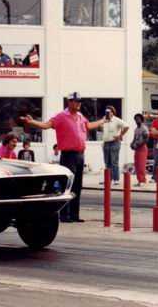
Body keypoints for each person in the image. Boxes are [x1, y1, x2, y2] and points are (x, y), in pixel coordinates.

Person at [21, 92, 105, 223]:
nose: (78, 104)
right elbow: (47, 125)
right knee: (68, 185)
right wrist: (32, 122)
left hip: (80, 154)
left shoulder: (80, 116)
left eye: (79, 101)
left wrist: (103, 120)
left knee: (77, 186)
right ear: (69, 102)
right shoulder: (61, 116)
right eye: (75, 101)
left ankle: (74, 214)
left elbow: (88, 126)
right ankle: (64, 215)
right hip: (68, 155)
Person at [101, 106, 129, 185]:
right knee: (107, 162)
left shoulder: (116, 120)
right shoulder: (104, 119)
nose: (107, 113)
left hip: (114, 142)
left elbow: (126, 126)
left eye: (109, 111)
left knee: (114, 161)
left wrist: (120, 135)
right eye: (106, 111)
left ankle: (116, 179)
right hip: (106, 142)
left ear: (112, 112)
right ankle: (108, 179)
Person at [130, 113, 149, 187]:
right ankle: (139, 180)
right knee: (137, 165)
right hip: (137, 148)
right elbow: (134, 139)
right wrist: (132, 144)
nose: (137, 120)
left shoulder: (144, 128)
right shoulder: (136, 129)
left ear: (141, 119)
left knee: (141, 165)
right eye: (136, 119)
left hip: (142, 148)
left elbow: (146, 139)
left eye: (138, 119)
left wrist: (138, 144)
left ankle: (143, 180)